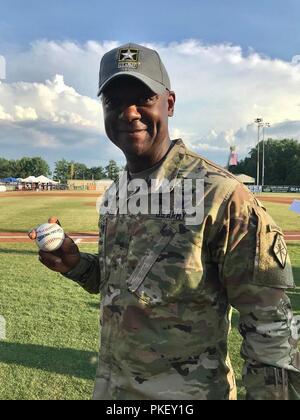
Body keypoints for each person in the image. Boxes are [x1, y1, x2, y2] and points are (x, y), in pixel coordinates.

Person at [38, 43, 300, 400]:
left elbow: (271, 329)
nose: (128, 113)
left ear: (169, 103)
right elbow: (124, 284)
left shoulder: (221, 194)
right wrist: (76, 266)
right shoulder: (119, 192)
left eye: (143, 98)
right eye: (114, 102)